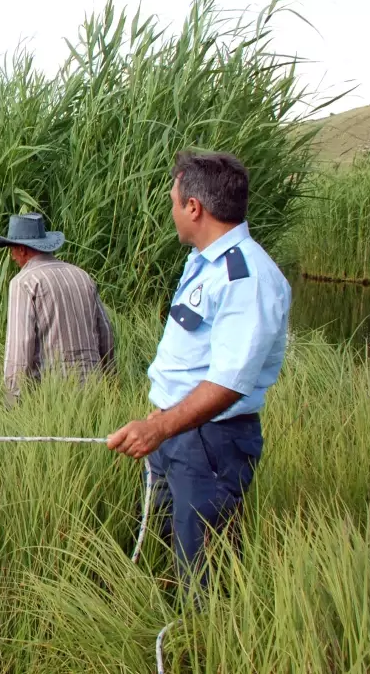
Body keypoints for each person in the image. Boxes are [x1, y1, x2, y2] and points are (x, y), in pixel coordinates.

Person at [107, 150, 290, 589]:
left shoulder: (245, 278)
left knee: (202, 567)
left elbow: (229, 383)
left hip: (211, 445)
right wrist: (163, 421)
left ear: (194, 207)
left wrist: (161, 426)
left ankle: (201, 644)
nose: (171, 209)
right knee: (167, 540)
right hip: (177, 433)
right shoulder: (204, 261)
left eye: (173, 200)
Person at [0, 213, 114, 404]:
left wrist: (12, 400)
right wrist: (110, 379)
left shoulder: (24, 282)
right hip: (93, 387)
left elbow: (20, 346)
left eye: (12, 250)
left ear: (22, 249)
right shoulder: (81, 276)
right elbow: (105, 332)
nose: (12, 257)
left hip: (52, 393)